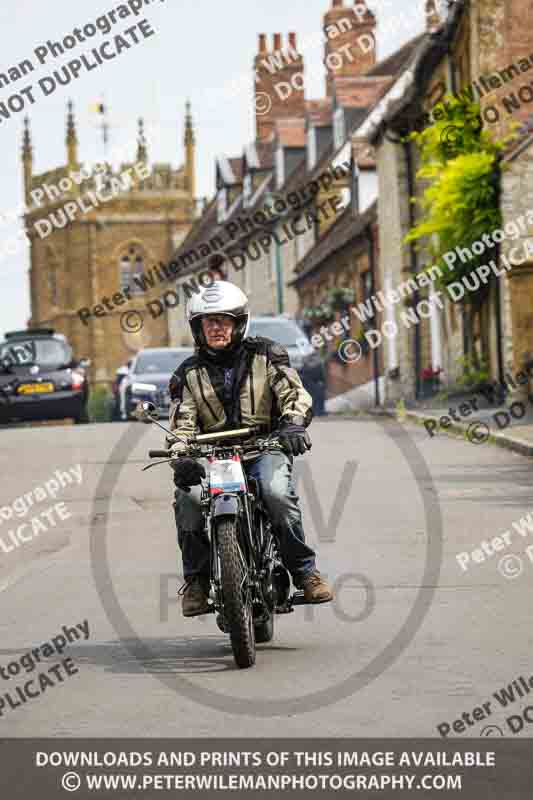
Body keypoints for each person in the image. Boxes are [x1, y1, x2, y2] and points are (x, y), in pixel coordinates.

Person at [166, 280, 333, 617]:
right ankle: (197, 580)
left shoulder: (267, 355)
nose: (215, 328)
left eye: (223, 320)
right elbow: (181, 424)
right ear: (197, 327)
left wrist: (294, 424)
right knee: (188, 500)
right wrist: (180, 455)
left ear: (239, 323)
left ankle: (304, 571)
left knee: (275, 493)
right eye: (207, 322)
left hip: (265, 447)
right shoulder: (187, 374)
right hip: (214, 457)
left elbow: (294, 394)